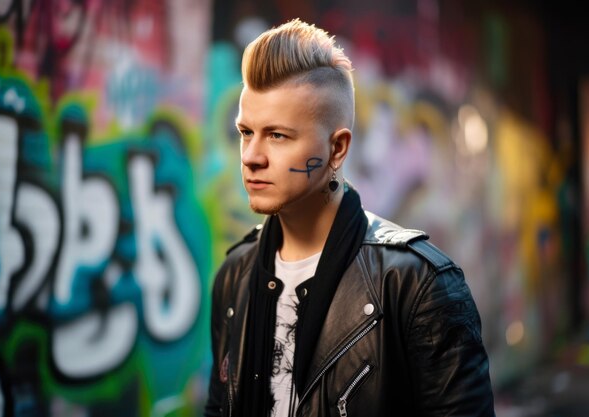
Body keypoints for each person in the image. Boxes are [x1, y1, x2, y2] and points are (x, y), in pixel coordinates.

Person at [205, 18, 495, 417]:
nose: (252, 156)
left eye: (277, 136)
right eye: (245, 132)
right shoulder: (235, 277)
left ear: (337, 148)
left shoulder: (417, 286)